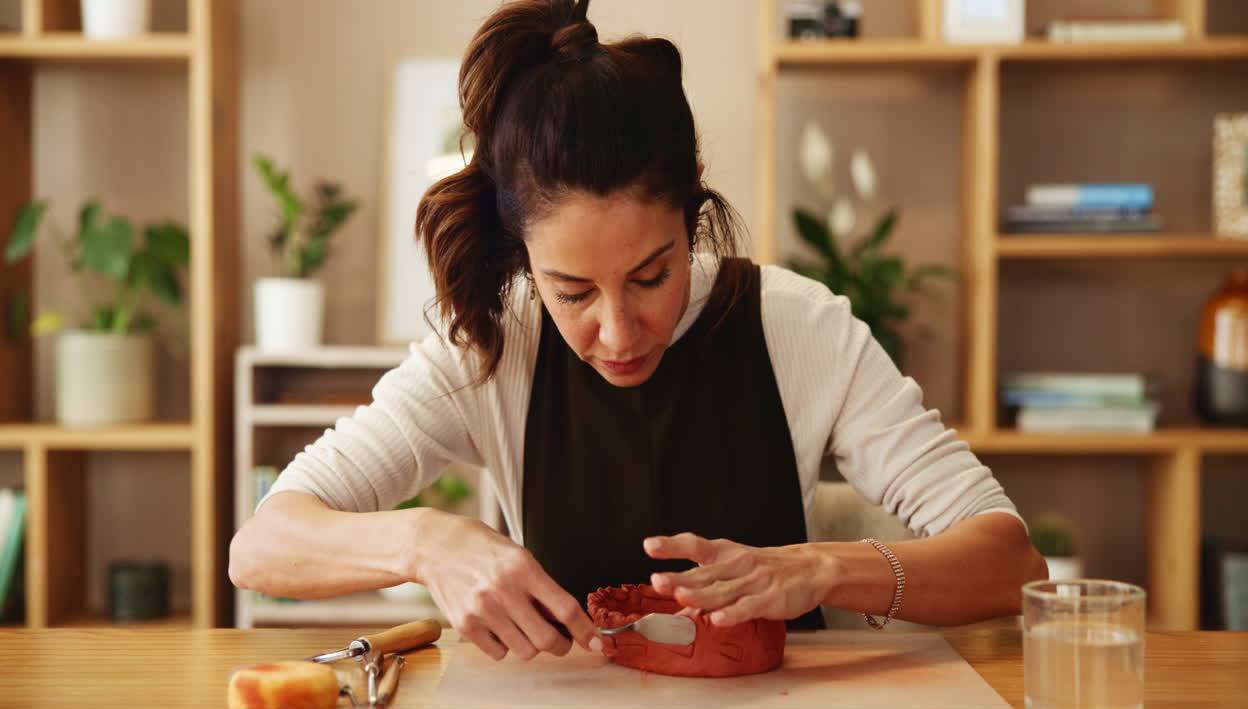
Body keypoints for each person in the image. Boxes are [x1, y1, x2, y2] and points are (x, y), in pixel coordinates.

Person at [229, 0, 1046, 663]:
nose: (617, 331)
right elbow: (261, 549)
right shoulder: (493, 347)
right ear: (524, 258)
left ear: (693, 207)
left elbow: (1012, 564)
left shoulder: (801, 328)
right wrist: (424, 541)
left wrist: (822, 569)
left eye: (652, 276)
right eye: (572, 290)